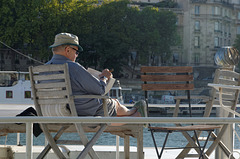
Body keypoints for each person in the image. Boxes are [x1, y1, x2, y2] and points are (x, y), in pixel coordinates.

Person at [47, 32, 147, 119]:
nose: (77, 55)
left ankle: (134, 115)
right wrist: (103, 77)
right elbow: (100, 90)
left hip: (53, 115)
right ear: (68, 50)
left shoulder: (43, 69)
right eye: (76, 52)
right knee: (111, 104)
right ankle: (134, 113)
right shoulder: (72, 67)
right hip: (80, 113)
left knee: (105, 108)